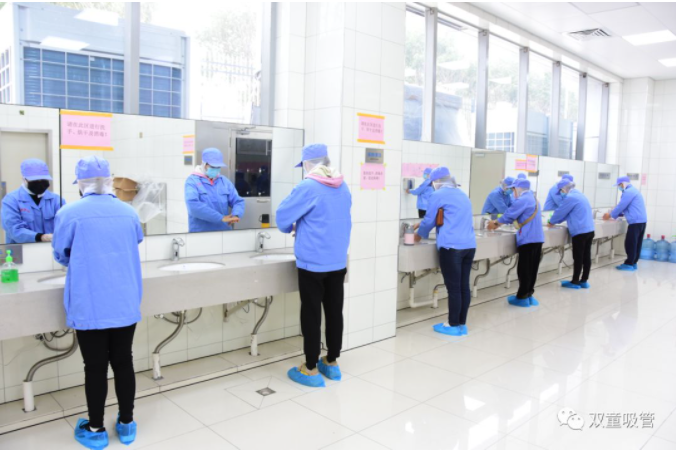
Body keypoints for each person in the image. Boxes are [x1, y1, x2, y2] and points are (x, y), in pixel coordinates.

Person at [52, 156, 143, 449]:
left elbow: (61, 254)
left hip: (90, 302)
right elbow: (135, 241)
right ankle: (126, 424)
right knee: (124, 361)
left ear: (81, 184)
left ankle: (95, 429)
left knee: (94, 367)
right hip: (124, 301)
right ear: (109, 181)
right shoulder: (128, 212)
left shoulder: (70, 213)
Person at [276, 143, 351, 388]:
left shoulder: (308, 186)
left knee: (311, 314)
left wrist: (291, 227)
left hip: (312, 263)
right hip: (337, 260)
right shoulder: (343, 185)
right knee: (334, 311)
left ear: (308, 164)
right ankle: (331, 362)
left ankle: (310, 368)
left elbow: (282, 217)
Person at [414, 167, 476, 336]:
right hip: (469, 246)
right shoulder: (462, 194)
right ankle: (462, 324)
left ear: (436, 182)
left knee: (454, 288)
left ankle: (452, 325)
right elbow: (448, 216)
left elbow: (429, 220)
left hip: (452, 247)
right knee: (464, 286)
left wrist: (418, 236)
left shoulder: (438, 195)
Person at [487, 178, 544, 307]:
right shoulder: (534, 199)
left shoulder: (523, 199)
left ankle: (522, 297)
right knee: (533, 269)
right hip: (537, 238)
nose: (513, 192)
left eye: (513, 189)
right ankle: (529, 295)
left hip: (528, 239)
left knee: (524, 269)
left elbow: (509, 215)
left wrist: (495, 223)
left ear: (518, 188)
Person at [1, 158, 65, 244]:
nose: (40, 183)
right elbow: (13, 229)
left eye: (43, 180)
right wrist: (41, 237)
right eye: (35, 180)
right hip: (21, 249)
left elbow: (65, 225)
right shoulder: (11, 200)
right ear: (24, 179)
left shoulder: (56, 200)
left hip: (50, 249)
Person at [548, 179, 595, 289]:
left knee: (578, 257)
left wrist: (551, 222)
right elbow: (568, 213)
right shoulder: (580, 195)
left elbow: (560, 211)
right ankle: (584, 280)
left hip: (580, 232)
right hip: (589, 230)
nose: (561, 193)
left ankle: (575, 281)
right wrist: (556, 221)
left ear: (563, 189)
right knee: (586, 256)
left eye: (560, 191)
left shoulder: (570, 197)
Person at [185, 148, 245, 232]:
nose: (216, 169)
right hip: (201, 233)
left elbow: (238, 201)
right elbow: (193, 206)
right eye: (213, 167)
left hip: (224, 231)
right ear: (204, 164)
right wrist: (220, 218)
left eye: (218, 167)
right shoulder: (192, 181)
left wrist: (236, 214)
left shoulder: (224, 181)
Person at [603, 176, 647, 271]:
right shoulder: (634, 190)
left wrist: (610, 215)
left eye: (619, 185)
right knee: (637, 243)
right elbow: (628, 207)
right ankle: (633, 262)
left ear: (623, 184)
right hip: (641, 221)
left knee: (630, 243)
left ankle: (629, 264)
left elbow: (621, 205)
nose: (619, 187)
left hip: (635, 222)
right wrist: (617, 214)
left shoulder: (628, 192)